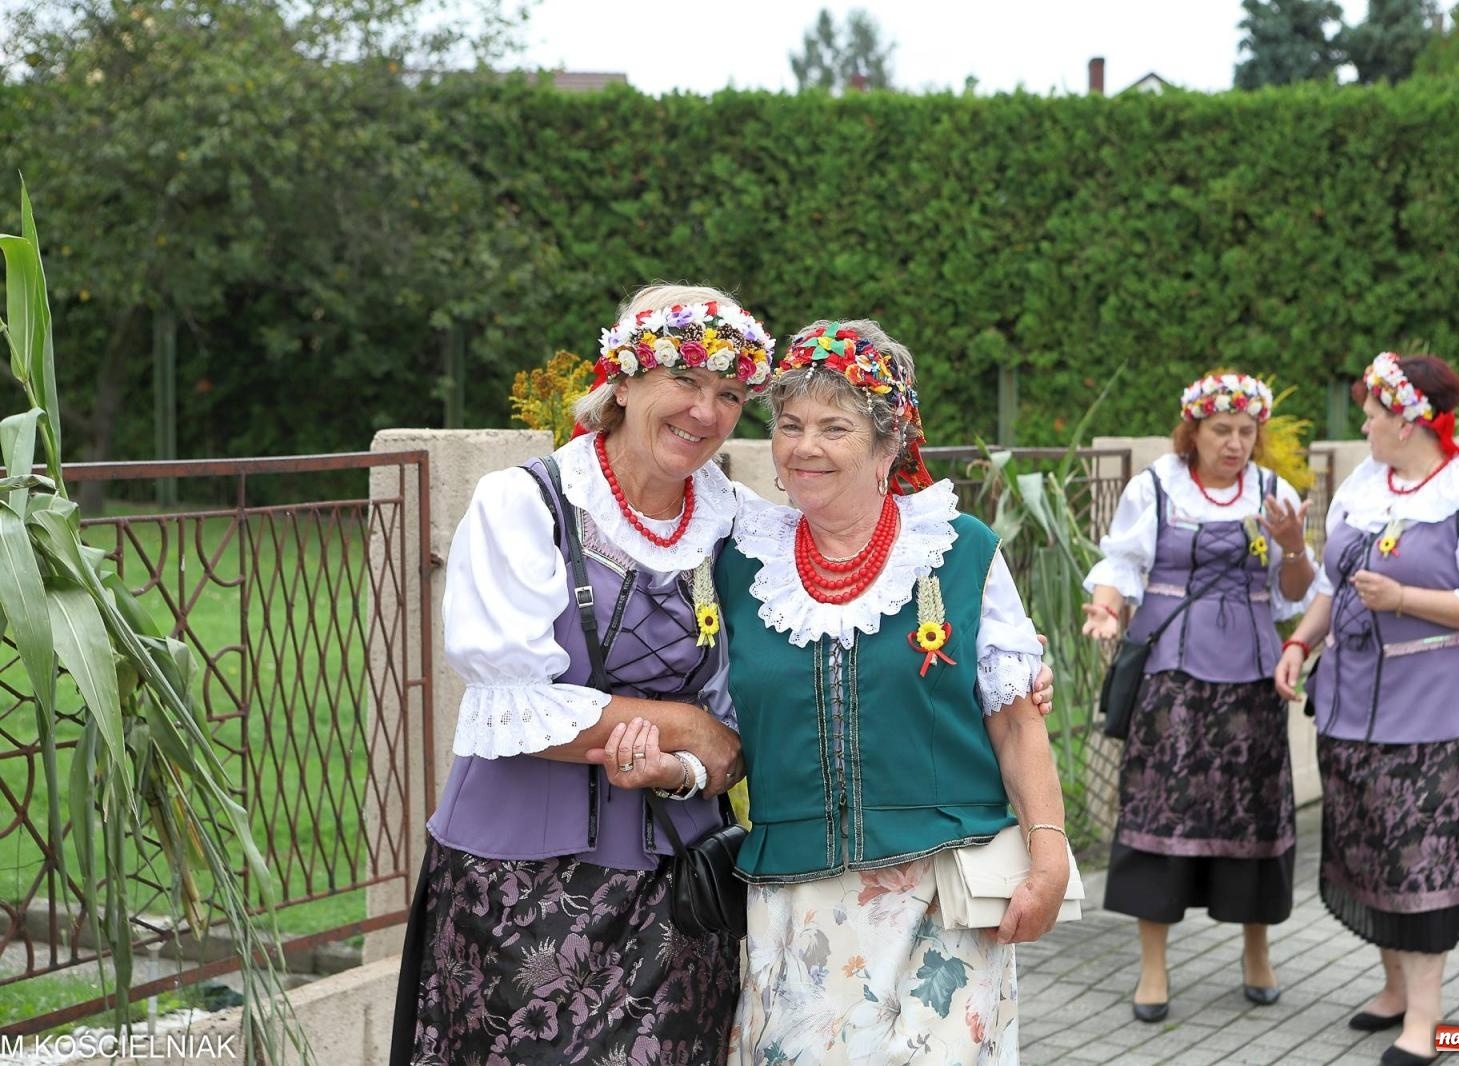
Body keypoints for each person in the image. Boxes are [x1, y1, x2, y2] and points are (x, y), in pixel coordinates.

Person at [389, 284, 773, 1065]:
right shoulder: (524, 505)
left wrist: (685, 762)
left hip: (678, 890)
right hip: (516, 888)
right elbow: (516, 711)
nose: (705, 411)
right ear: (623, 381)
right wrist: (686, 724)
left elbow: (739, 733)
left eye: (730, 394)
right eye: (685, 379)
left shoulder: (739, 524)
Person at [685, 319, 1068, 1064]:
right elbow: (715, 717)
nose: (805, 446)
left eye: (835, 427)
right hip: (797, 906)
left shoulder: (959, 551)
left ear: (889, 445)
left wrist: (1048, 857)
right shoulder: (740, 564)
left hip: (947, 898)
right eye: (790, 425)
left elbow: (1016, 720)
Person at [1276, 353, 1459, 1066]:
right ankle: (1393, 989)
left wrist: (1404, 599)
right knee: (1367, 847)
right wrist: (1300, 641)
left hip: (1444, 706)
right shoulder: (1365, 485)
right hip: (1354, 701)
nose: (1363, 425)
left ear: (1409, 420)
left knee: (1423, 856)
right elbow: (1334, 585)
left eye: (1372, 414)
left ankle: (1426, 1019)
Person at [1080, 370, 1315, 1023]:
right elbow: (1122, 564)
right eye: (1221, 430)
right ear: (1194, 431)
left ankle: (1257, 951)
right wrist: (1107, 608)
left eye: (1245, 431)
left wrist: (1295, 547)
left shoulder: (1273, 493)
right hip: (1171, 678)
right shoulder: (1157, 486)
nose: (1235, 443)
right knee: (1159, 810)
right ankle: (1153, 968)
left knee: (1255, 812)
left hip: (1251, 679)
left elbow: (1296, 591)